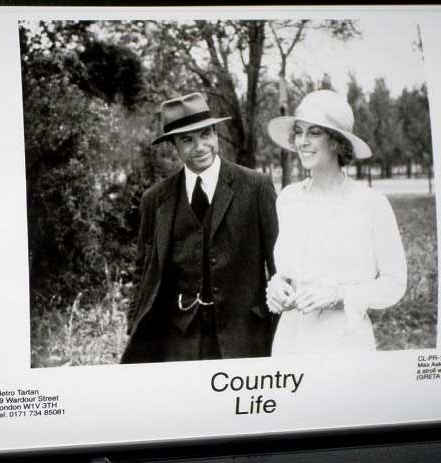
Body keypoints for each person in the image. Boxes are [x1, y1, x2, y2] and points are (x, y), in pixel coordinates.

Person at [121, 92, 278, 363]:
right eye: (187, 140)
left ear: (216, 134)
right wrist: (134, 323)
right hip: (177, 341)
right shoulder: (155, 199)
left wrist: (278, 328)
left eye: (206, 135)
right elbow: (142, 270)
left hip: (244, 336)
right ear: (174, 146)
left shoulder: (256, 188)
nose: (200, 146)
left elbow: (279, 266)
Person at [266, 90, 407, 354]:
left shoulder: (371, 204)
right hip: (291, 340)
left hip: (344, 340)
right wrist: (276, 286)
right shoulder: (288, 199)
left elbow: (394, 284)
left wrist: (339, 295)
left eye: (314, 132)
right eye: (299, 132)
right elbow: (287, 270)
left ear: (336, 142)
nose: (302, 142)